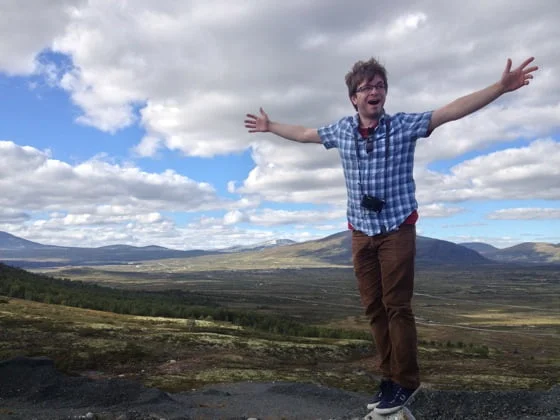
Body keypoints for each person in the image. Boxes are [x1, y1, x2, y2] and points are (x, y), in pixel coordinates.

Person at [244, 56, 538, 414]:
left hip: (397, 229)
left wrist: (499, 88)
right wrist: (270, 125)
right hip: (360, 233)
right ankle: (388, 377)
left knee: (397, 306)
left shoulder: (402, 126)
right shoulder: (341, 131)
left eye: (380, 86)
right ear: (353, 97)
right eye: (366, 87)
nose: (374, 91)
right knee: (373, 308)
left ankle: (406, 382)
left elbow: (450, 111)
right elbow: (305, 134)